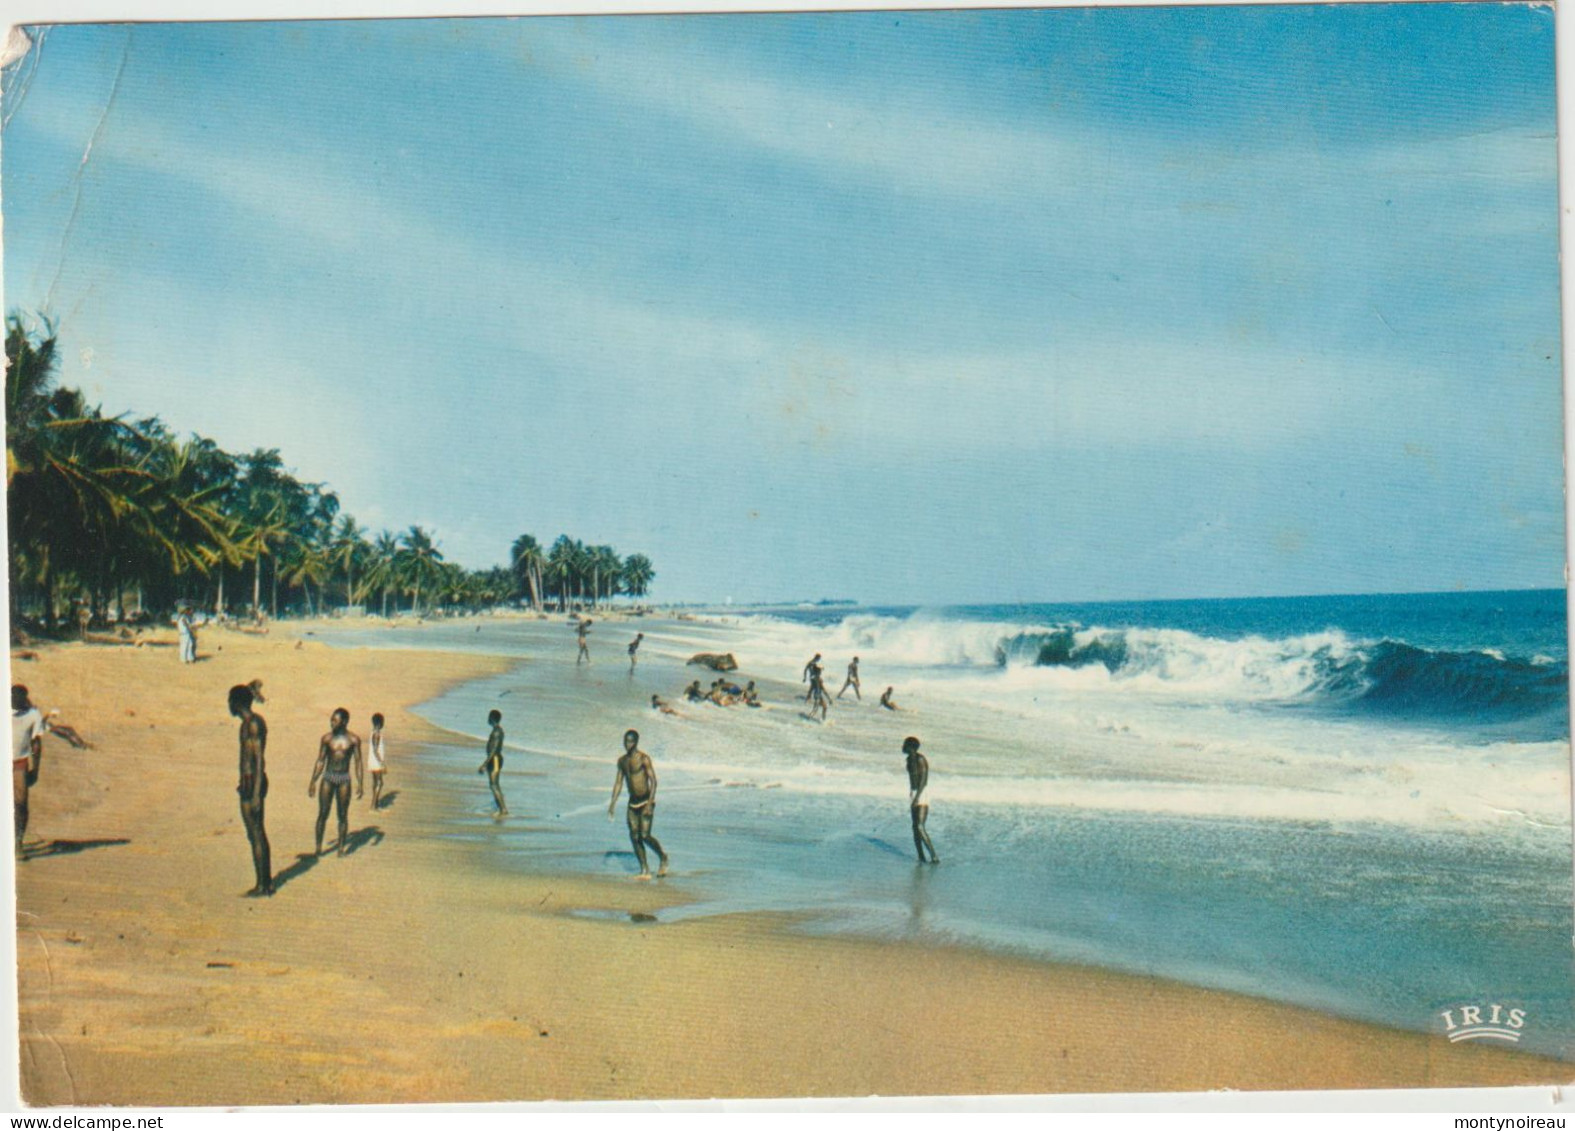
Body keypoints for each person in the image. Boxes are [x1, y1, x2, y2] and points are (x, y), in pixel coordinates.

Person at [229, 684, 273, 895]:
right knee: (254, 833)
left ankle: (263, 885)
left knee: (256, 832)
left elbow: (258, 760)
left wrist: (256, 794)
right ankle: (264, 883)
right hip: (247, 781)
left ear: (236, 703)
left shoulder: (254, 724)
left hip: (253, 782)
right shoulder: (246, 724)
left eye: (230, 701)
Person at [608, 729, 668, 879]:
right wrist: (612, 803)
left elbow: (653, 781)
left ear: (635, 742)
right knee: (634, 836)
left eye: (629, 741)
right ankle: (644, 870)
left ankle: (663, 856)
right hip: (632, 804)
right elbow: (618, 782)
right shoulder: (622, 761)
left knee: (645, 835)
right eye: (625, 741)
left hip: (646, 801)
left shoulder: (643, 758)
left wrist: (650, 803)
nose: (626, 744)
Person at [308, 709, 364, 856]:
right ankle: (318, 847)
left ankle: (340, 848)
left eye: (335, 720)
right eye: (331, 719)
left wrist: (360, 782)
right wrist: (313, 781)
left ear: (344, 722)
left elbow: (358, 762)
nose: (331, 723)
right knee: (323, 813)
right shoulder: (326, 739)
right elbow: (320, 760)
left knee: (342, 815)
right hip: (328, 777)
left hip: (344, 779)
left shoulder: (353, 740)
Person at [11, 686, 46, 858]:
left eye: (19, 700)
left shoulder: (33, 715)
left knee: (21, 804)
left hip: (20, 764)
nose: (15, 703)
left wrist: (36, 769)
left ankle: (18, 843)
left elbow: (36, 743)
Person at [903, 736, 938, 864]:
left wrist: (917, 797)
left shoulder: (921, 759)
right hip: (913, 793)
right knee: (914, 827)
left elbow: (924, 780)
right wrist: (912, 796)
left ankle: (934, 856)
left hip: (922, 793)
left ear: (911, 747)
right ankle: (921, 856)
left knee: (920, 826)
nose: (903, 747)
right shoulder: (908, 760)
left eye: (905, 745)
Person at [477, 709, 507, 816]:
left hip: (495, 759)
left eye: (489, 717)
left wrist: (484, 764)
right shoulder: (497, 731)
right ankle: (501, 808)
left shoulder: (497, 732)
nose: (487, 719)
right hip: (494, 759)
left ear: (492, 718)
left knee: (494, 785)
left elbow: (494, 749)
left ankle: (503, 809)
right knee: (493, 785)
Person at [367, 712, 388, 810]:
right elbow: (376, 750)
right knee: (380, 783)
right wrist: (382, 763)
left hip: (372, 760)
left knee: (375, 782)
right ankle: (373, 805)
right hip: (376, 762)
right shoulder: (377, 734)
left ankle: (374, 804)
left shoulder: (373, 732)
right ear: (380, 724)